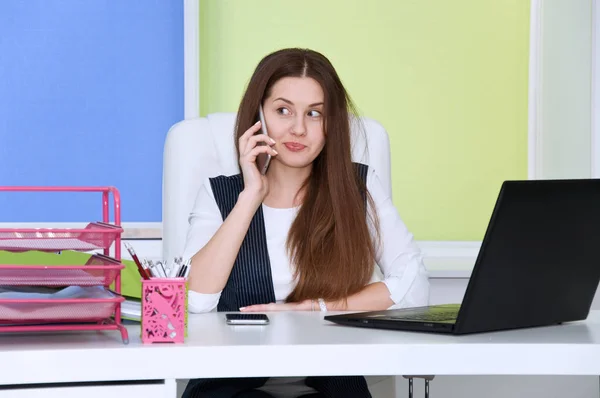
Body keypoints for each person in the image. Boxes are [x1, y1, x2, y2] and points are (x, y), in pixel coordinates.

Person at [181, 48, 429, 398]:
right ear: (259, 116)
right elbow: (195, 300)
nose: (298, 129)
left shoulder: (358, 188)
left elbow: (414, 283)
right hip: (231, 383)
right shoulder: (219, 194)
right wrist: (251, 195)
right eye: (283, 111)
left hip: (332, 379)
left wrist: (318, 308)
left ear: (332, 124)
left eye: (314, 114)